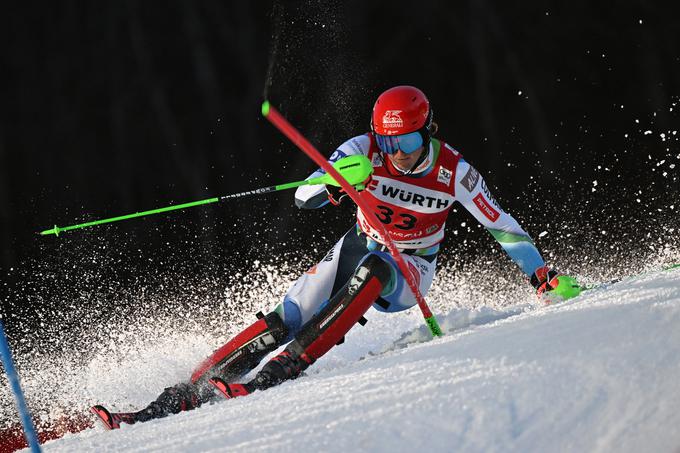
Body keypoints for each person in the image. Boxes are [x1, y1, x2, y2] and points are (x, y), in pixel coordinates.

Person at [91, 85, 580, 429]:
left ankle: (280, 372)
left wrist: (539, 275)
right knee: (288, 314)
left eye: (408, 142)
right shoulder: (363, 149)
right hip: (360, 240)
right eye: (390, 143)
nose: (398, 154)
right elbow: (302, 198)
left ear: (427, 133)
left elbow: (502, 225)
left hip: (409, 267)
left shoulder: (454, 171)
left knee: (374, 270)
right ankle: (180, 395)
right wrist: (335, 183)